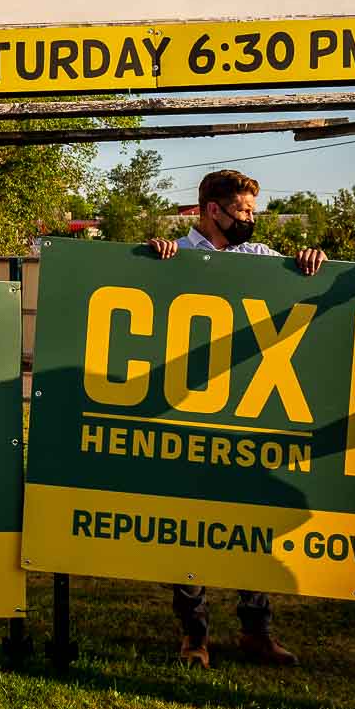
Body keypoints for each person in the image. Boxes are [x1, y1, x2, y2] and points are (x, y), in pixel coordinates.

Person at [148, 169, 325, 670]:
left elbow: (304, 283)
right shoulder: (173, 255)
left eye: (252, 211)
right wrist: (151, 263)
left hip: (250, 408)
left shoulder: (261, 260)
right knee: (189, 523)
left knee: (253, 520)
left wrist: (312, 263)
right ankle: (194, 633)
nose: (250, 219)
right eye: (243, 211)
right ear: (213, 211)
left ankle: (257, 630)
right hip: (187, 410)